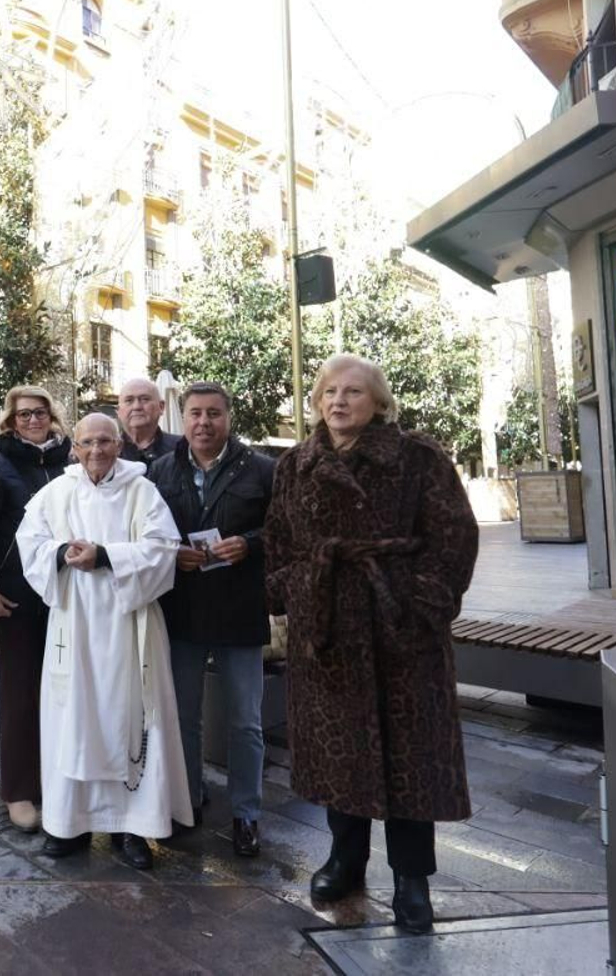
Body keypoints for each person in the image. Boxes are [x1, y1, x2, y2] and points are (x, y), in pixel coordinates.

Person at [264, 354, 479, 935]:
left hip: (402, 631)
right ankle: (346, 860)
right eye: (328, 392)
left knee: (410, 757)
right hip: (328, 633)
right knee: (340, 754)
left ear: (379, 403)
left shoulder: (419, 458)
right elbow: (278, 542)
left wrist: (423, 602)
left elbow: (454, 535)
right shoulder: (295, 466)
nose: (338, 401)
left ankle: (412, 879)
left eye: (353, 392)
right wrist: (297, 592)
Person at [15, 412, 191, 870]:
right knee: (71, 720)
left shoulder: (141, 490)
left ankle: (130, 827)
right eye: (87, 442)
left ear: (120, 445)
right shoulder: (56, 493)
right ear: (73, 447)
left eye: (106, 442)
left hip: (128, 625)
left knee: (127, 717)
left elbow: (164, 549)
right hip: (73, 622)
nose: (97, 451)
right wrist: (60, 553)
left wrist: (107, 556)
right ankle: (68, 823)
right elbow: (29, 543)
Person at [148, 382, 275, 858]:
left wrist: (251, 544)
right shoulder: (159, 471)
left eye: (214, 414)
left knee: (245, 722)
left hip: (240, 611)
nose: (204, 422)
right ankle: (189, 800)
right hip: (182, 612)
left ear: (228, 417)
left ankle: (247, 813)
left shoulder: (261, 469)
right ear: (182, 419)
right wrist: (170, 553)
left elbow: (283, 527)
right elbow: (146, 533)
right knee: (183, 717)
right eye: (196, 414)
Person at [0, 385, 71, 832]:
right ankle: (18, 790)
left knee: (61, 696)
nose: (33, 420)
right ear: (10, 421)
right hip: (14, 599)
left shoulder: (71, 465)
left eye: (41, 412)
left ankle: (54, 780)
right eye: (24, 414)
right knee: (18, 697)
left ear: (53, 417)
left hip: (65, 598)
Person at [117, 377, 182, 466]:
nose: (137, 407)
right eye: (129, 401)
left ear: (161, 407)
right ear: (119, 411)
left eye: (145, 399)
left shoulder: (182, 448)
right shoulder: (107, 452)